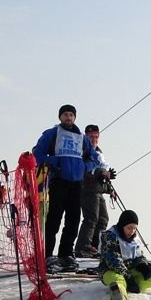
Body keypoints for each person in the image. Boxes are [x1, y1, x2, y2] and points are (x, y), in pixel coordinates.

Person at [31, 104, 101, 273]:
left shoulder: (81, 137)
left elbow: (94, 157)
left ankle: (66, 254)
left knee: (73, 219)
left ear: (74, 117)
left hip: (76, 183)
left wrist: (84, 167)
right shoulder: (52, 133)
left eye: (71, 115)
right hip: (58, 181)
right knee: (54, 219)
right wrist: (54, 162)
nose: (68, 117)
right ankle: (47, 254)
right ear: (60, 117)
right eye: (65, 115)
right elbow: (37, 154)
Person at [97, 210, 151, 300]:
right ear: (122, 225)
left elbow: (139, 255)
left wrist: (142, 265)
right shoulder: (110, 236)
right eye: (129, 228)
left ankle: (128, 286)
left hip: (131, 270)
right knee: (118, 280)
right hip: (110, 271)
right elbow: (113, 260)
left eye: (134, 228)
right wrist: (128, 276)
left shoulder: (135, 238)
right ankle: (120, 299)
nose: (132, 231)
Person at [75, 125, 114, 258]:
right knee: (91, 218)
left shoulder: (99, 153)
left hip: (98, 190)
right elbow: (83, 171)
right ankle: (83, 246)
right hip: (87, 189)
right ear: (86, 137)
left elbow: (102, 174)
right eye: (91, 137)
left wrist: (110, 189)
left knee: (103, 219)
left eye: (96, 137)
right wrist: (99, 173)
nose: (94, 139)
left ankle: (96, 246)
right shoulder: (83, 151)